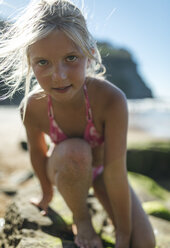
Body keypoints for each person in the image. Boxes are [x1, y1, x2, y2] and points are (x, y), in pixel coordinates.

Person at [0, 0, 156, 247]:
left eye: (71, 57)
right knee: (76, 152)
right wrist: (46, 194)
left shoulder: (111, 100)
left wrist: (123, 236)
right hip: (65, 165)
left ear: (90, 53)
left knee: (144, 242)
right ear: (30, 61)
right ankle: (82, 218)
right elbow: (39, 154)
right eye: (43, 62)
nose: (58, 75)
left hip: (105, 171)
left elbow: (116, 172)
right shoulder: (34, 107)